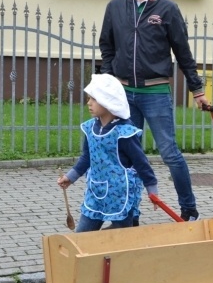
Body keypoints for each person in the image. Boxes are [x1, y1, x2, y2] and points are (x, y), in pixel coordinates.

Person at [99, 0, 209, 223]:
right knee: (128, 155)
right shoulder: (115, 7)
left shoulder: (167, 9)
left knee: (170, 153)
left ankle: (189, 208)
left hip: (156, 93)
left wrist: (197, 89)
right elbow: (107, 47)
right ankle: (129, 213)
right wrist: (106, 84)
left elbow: (183, 52)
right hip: (125, 96)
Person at [57, 74, 159, 232]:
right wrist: (70, 177)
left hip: (119, 195)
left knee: (121, 239)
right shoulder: (90, 128)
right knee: (82, 237)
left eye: (93, 99)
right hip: (96, 192)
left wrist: (152, 190)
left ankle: (127, 234)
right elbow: (87, 157)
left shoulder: (124, 133)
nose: (88, 103)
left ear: (108, 101)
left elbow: (141, 163)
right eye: (89, 98)